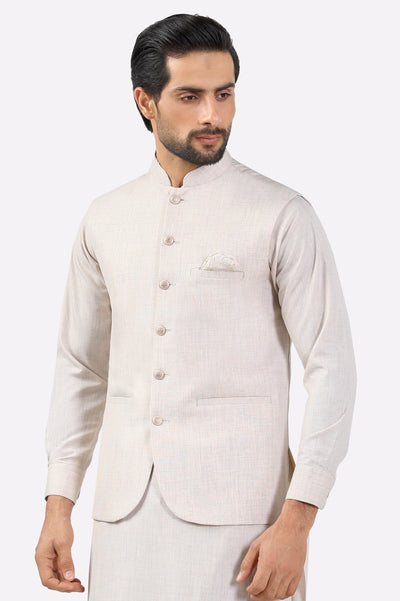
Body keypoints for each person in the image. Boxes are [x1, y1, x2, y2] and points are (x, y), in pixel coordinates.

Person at [35, 13, 357, 601]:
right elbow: (80, 368)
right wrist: (59, 505)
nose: (213, 115)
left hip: (245, 523)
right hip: (122, 518)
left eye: (224, 94)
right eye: (190, 97)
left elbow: (332, 367)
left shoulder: (282, 214)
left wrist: (298, 521)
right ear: (145, 102)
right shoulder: (105, 218)